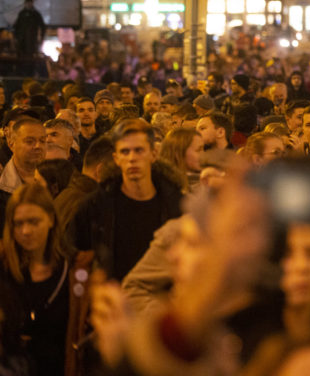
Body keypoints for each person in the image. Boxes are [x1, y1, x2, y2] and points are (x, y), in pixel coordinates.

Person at [73, 118, 183, 280]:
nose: (132, 158)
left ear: (154, 154)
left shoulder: (177, 203)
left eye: (139, 150)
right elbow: (76, 259)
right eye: (125, 152)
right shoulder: (95, 206)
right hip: (115, 296)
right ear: (116, 158)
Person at [1, 183, 91, 376]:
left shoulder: (74, 271)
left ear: (50, 219)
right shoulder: (4, 269)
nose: (25, 231)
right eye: (18, 223)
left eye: (34, 222)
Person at [0, 118, 47, 217]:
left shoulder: (55, 179)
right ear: (11, 144)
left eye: (42, 141)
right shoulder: (3, 185)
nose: (38, 146)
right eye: (30, 142)